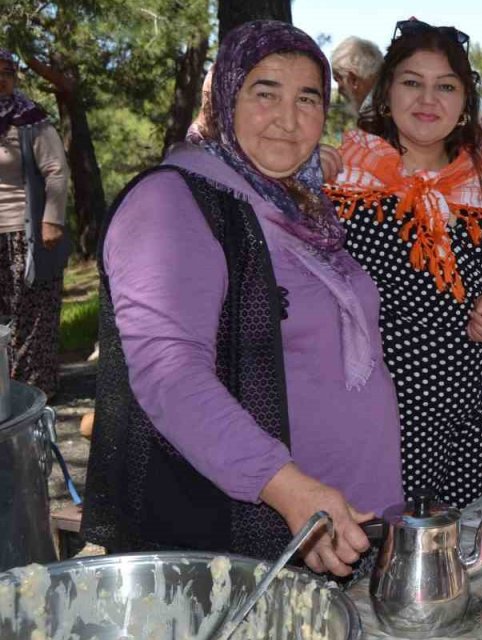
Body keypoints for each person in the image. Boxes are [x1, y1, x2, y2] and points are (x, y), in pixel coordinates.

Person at [83, 21, 401, 575]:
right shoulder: (172, 202)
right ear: (224, 98)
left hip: (343, 527)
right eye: (265, 93)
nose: (288, 119)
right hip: (249, 541)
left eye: (308, 98)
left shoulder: (297, 206)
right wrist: (287, 488)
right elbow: (170, 377)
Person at [326, 18, 482, 507]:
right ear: (386, 92)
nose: (428, 99)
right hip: (376, 411)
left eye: (446, 86)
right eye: (412, 83)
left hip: (466, 411)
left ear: (465, 100)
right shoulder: (345, 171)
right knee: (379, 536)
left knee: (452, 535)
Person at [0, 48, 69, 396]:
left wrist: (52, 220)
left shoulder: (31, 119)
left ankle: (33, 392)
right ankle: (5, 393)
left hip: (25, 232)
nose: (1, 79)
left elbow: (56, 171)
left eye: (7, 72)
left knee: (31, 314)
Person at [331, 36, 383, 116]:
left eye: (339, 79)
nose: (339, 90)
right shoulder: (393, 100)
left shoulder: (376, 115)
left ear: (354, 79)